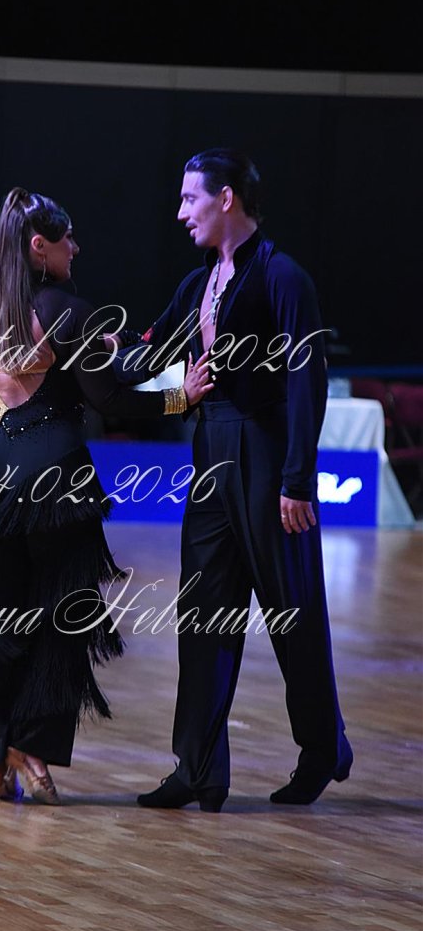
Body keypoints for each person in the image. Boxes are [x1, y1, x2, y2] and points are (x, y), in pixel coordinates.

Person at [0, 187, 212, 805]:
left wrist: (121, 350)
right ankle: (33, 747)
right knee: (64, 617)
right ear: (40, 246)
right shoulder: (70, 309)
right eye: (68, 239)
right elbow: (106, 398)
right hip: (52, 479)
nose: (76, 248)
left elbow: (62, 372)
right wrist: (181, 397)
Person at [110, 149, 353, 811]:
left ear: (226, 199)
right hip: (212, 455)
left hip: (269, 461)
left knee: (292, 614)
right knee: (204, 613)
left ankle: (323, 748)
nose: (180, 212)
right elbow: (152, 352)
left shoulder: (283, 277)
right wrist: (86, 357)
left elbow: (306, 381)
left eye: (190, 198)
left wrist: (298, 479)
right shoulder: (198, 283)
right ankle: (198, 769)